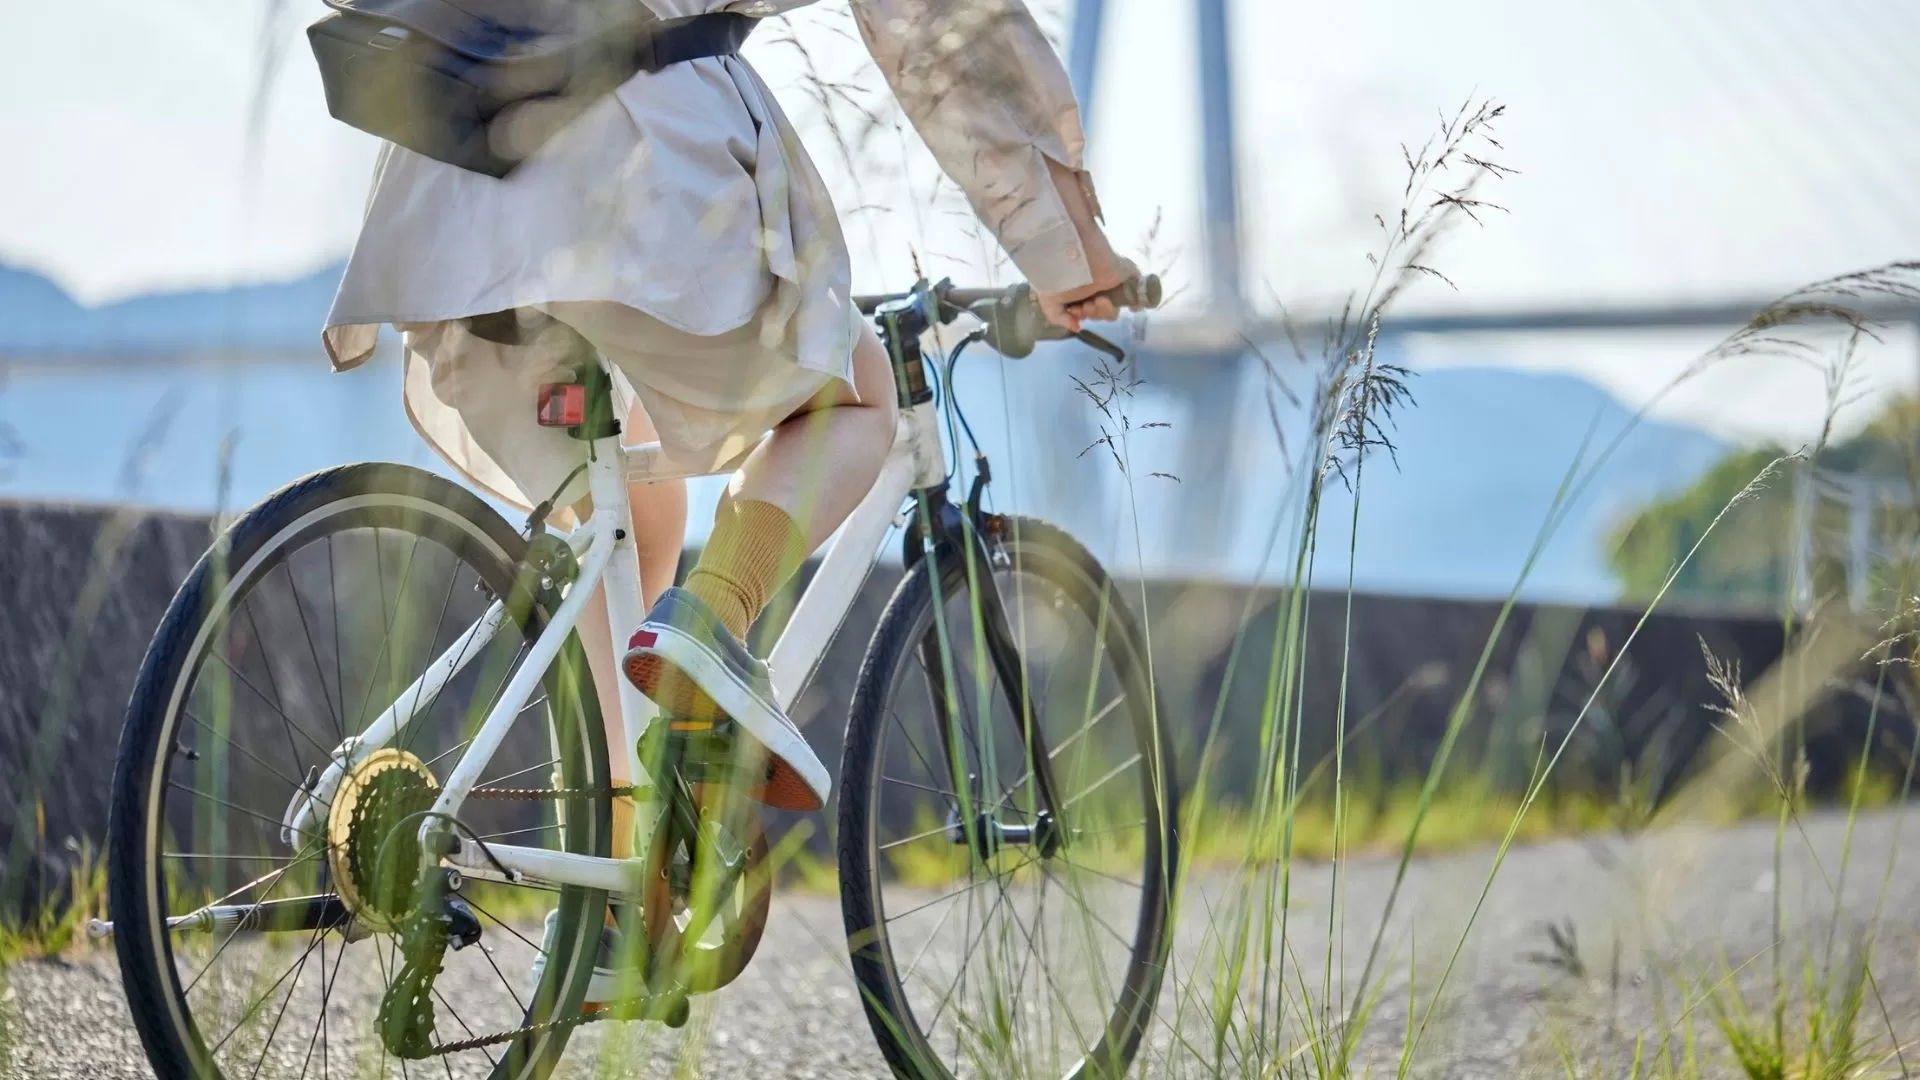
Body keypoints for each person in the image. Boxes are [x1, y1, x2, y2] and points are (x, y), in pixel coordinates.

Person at [321, 0, 1140, 827]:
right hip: (631, 168)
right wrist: (1069, 254)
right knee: (859, 397)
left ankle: (620, 853)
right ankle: (711, 617)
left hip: (443, 199)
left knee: (635, 519)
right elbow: (942, 23)